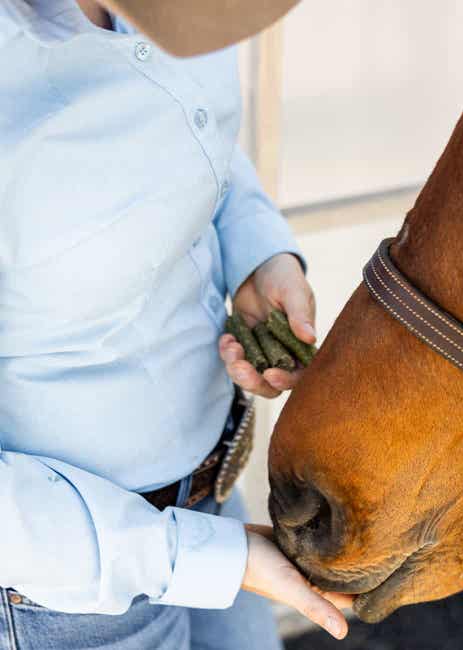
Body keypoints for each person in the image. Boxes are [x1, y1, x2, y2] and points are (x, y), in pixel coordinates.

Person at [0, 0, 352, 648]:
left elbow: (186, 124)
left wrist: (257, 250)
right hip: (72, 594)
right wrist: (201, 559)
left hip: (216, 500)